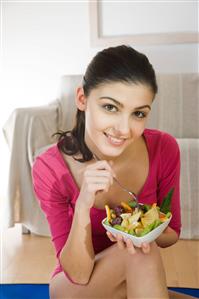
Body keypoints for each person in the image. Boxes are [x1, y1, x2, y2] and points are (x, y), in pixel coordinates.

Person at [32, 45, 192, 299]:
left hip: (134, 278)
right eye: (110, 107)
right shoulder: (49, 168)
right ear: (83, 99)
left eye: (138, 113)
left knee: (141, 252)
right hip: (77, 287)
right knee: (139, 252)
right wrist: (83, 205)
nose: (124, 129)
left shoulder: (164, 149)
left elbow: (171, 234)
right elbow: (78, 273)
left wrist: (148, 227)